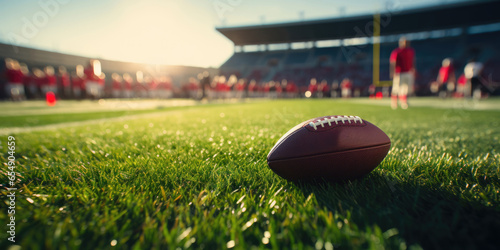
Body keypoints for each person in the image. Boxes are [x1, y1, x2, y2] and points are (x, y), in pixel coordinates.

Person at [390, 37, 415, 109]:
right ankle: (394, 102)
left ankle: (403, 102)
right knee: (396, 88)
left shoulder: (411, 51)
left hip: (408, 72)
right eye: (405, 42)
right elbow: (393, 63)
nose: (407, 43)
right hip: (399, 72)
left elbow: (413, 60)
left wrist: (413, 69)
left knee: (405, 89)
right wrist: (392, 72)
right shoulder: (397, 52)